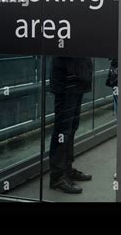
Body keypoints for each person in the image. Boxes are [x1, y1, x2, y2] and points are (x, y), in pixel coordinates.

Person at [49, 57, 93, 194]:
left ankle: (66, 170)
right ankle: (57, 176)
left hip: (76, 81)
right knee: (63, 130)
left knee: (71, 127)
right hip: (67, 81)